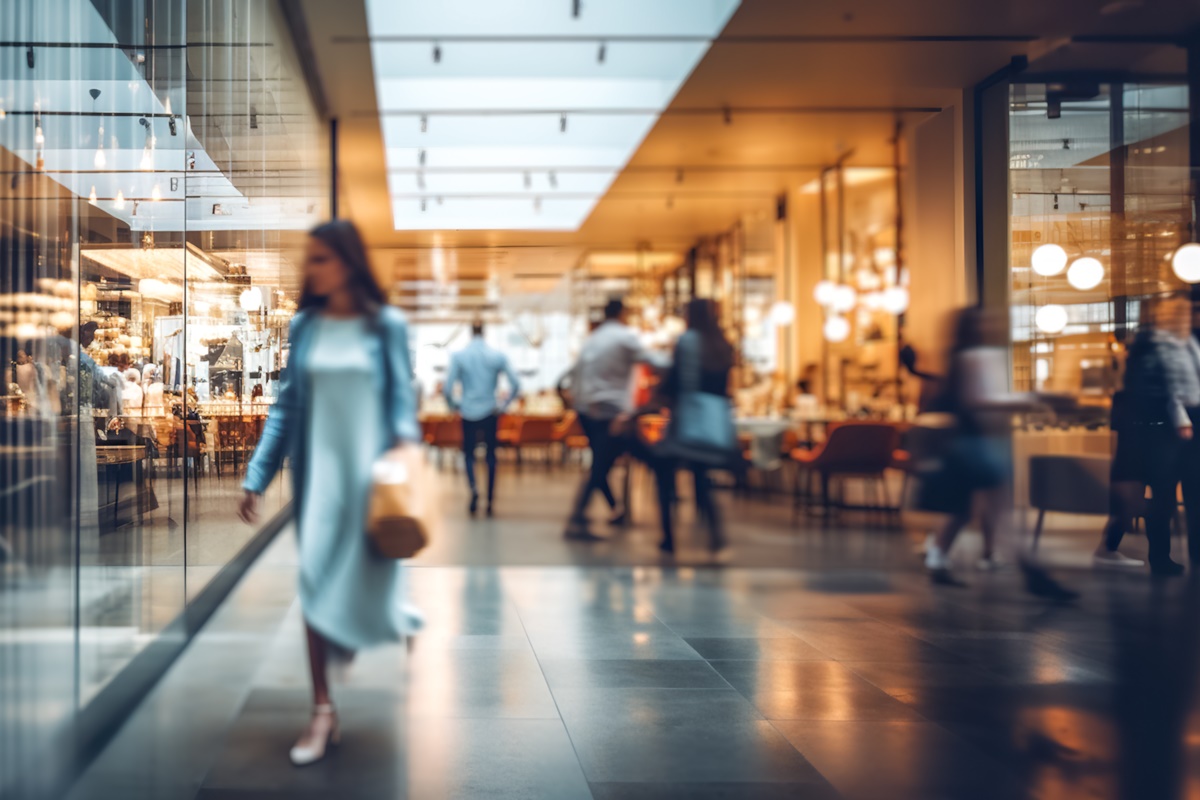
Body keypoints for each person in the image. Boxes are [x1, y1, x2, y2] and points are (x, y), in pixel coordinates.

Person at [238, 219, 424, 766]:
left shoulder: (384, 326)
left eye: (320, 259)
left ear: (347, 262)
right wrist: (257, 475)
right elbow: (287, 408)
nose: (310, 269)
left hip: (371, 482)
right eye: (309, 260)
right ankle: (323, 709)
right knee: (315, 585)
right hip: (319, 484)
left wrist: (402, 451)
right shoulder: (306, 328)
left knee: (357, 584)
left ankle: (372, 621)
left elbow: (399, 402)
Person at [921, 307, 1077, 599]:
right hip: (979, 442)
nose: (992, 324)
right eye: (985, 321)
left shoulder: (964, 358)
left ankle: (938, 557)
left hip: (974, 441)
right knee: (999, 509)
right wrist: (1033, 398)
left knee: (969, 507)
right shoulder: (975, 357)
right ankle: (1031, 570)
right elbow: (979, 399)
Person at [1098, 295, 1197, 575]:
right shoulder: (1152, 345)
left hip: (1158, 431)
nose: (1185, 319)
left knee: (1157, 495)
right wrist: (1180, 417)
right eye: (1179, 314)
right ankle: (1115, 549)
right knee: (1147, 495)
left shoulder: (1181, 345)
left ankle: (1152, 557)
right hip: (1150, 432)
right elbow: (1167, 390)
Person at [628, 298, 734, 557]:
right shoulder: (722, 346)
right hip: (713, 421)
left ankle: (668, 537)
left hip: (687, 419)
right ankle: (716, 537)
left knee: (664, 474)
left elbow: (677, 381)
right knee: (701, 479)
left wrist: (652, 401)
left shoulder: (688, 342)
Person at [564, 298, 664, 541]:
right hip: (612, 413)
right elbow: (655, 361)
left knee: (602, 463)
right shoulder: (623, 337)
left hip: (590, 411)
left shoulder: (592, 340)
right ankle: (578, 520)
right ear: (623, 313)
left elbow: (572, 375)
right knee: (650, 462)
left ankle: (589, 516)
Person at [443, 319, 521, 516]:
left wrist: (454, 406)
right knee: (491, 456)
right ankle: (490, 500)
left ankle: (474, 490)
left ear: (471, 332)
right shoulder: (497, 356)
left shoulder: (459, 356)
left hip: (468, 411)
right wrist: (503, 405)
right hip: (490, 411)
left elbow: (447, 388)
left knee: (468, 454)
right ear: (484, 332)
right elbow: (516, 384)